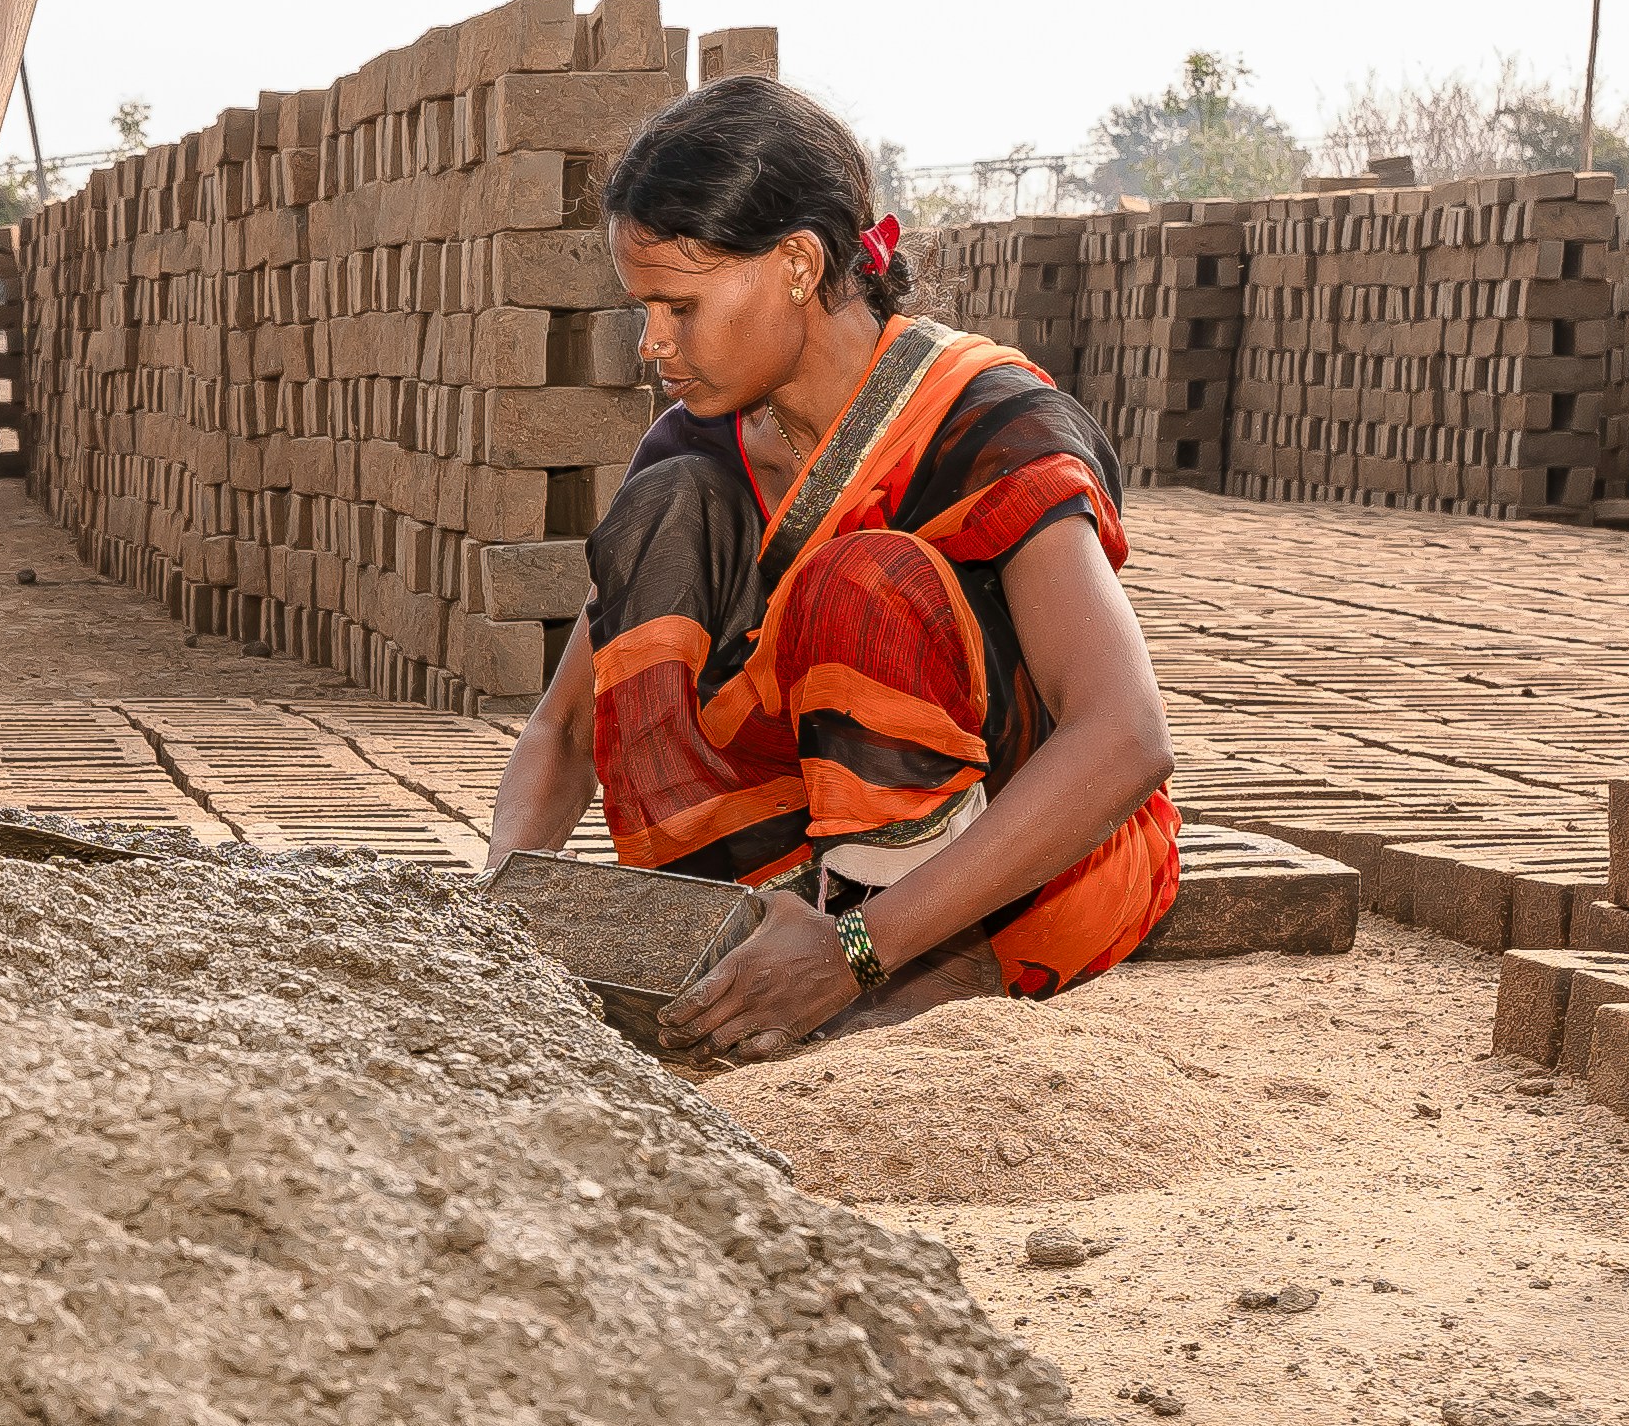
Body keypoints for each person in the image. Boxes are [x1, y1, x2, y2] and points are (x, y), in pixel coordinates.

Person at [487, 75, 1181, 1054]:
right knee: (664, 518)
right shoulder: (696, 456)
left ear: (801, 266)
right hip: (799, 893)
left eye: (677, 305)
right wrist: (498, 909)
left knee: (857, 587)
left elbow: (1125, 737)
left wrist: (855, 949)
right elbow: (562, 731)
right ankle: (737, 942)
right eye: (643, 307)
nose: (651, 343)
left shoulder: (985, 424)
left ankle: (917, 981)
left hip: (1017, 887)